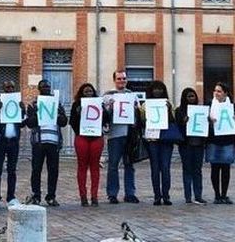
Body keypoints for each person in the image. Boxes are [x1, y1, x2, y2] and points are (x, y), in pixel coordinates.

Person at [26, 79, 68, 206]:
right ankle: (36, 195)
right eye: (44, 87)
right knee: (36, 170)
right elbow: (29, 123)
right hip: (39, 142)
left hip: (53, 141)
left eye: (48, 87)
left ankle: (51, 196)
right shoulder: (33, 104)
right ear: (39, 88)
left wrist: (57, 114)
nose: (46, 89)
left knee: (53, 170)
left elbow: (64, 121)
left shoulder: (56, 103)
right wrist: (38, 113)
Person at [103, 70, 140, 204]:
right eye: (119, 79)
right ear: (114, 80)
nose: (121, 81)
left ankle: (130, 193)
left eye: (123, 78)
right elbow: (104, 116)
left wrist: (136, 108)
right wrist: (110, 108)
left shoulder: (132, 95)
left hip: (130, 134)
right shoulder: (107, 96)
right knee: (113, 165)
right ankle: (112, 194)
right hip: (115, 134)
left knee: (129, 164)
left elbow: (138, 114)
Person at [69, 83, 109, 207]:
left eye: (90, 91)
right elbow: (72, 123)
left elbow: (107, 120)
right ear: (82, 93)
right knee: (82, 166)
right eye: (86, 92)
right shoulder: (77, 104)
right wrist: (77, 113)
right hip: (82, 137)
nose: (88, 94)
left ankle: (94, 196)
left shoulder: (99, 103)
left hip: (96, 138)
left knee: (95, 167)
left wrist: (104, 110)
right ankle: (83, 196)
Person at [0, 81, 26, 209]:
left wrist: (23, 110)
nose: (10, 89)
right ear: (3, 89)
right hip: (0, 141)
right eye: (7, 87)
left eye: (11, 87)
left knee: (12, 170)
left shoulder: (18, 101)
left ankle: (11, 197)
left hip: (13, 141)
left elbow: (22, 123)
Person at [141, 81, 177, 205]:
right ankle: (157, 195)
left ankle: (166, 195)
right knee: (155, 168)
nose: (157, 91)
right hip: (152, 140)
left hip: (166, 139)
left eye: (160, 89)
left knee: (166, 167)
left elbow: (173, 121)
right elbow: (141, 121)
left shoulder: (169, 103)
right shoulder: (145, 105)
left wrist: (168, 110)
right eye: (155, 89)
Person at [175, 87, 207, 205]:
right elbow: (178, 127)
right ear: (184, 98)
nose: (191, 98)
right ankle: (188, 196)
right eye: (189, 96)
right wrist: (184, 122)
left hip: (199, 144)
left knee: (197, 170)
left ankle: (198, 195)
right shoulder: (179, 111)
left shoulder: (201, 110)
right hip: (186, 145)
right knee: (187, 170)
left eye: (193, 96)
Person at [207, 82, 235, 204]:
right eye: (215, 90)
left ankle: (224, 194)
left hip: (228, 140)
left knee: (226, 168)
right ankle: (217, 195)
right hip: (214, 140)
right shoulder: (210, 105)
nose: (216, 93)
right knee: (215, 168)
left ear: (225, 93)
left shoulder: (232, 106)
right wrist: (209, 120)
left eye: (219, 91)